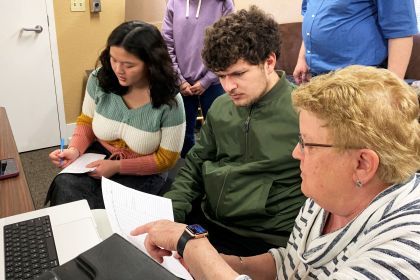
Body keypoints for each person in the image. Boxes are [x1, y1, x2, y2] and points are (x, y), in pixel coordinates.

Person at [132, 65, 420, 280]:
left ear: (363, 164)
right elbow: (290, 263)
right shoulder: (324, 198)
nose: (296, 152)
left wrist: (194, 247)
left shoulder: (405, 249)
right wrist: (219, 263)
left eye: (307, 144)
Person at [163, 6, 304, 257]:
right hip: (209, 220)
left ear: (269, 62)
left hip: (264, 238)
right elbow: (196, 162)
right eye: (221, 76)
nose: (228, 86)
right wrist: (171, 210)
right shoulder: (220, 107)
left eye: (238, 74)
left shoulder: (304, 112)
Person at [47, 21, 186, 209]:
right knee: (64, 186)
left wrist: (118, 167)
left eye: (129, 65)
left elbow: (166, 159)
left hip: (145, 169)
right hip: (100, 155)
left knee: (107, 206)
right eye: (113, 59)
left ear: (151, 64)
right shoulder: (99, 79)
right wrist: (74, 150)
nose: (118, 70)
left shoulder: (170, 101)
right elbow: (86, 122)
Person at [162, 0, 235, 157]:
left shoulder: (223, 3)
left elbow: (229, 46)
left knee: (220, 133)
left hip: (214, 82)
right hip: (181, 83)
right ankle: (188, 174)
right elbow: (167, 44)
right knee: (183, 138)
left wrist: (207, 80)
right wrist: (179, 80)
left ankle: (218, 172)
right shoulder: (174, 3)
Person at [293, 0, 418, 84]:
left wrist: (392, 89)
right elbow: (311, 17)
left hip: (360, 83)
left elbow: (401, 32)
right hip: (316, 78)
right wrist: (302, 58)